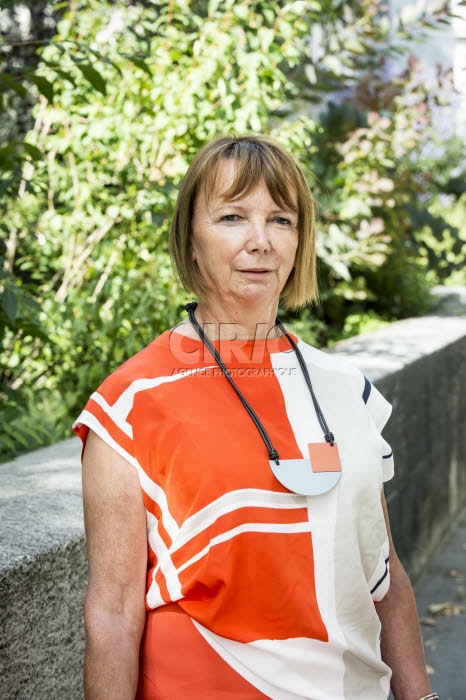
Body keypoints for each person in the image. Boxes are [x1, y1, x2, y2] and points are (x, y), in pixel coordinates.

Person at [74, 134, 437, 700]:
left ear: (300, 241)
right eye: (232, 217)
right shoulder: (132, 403)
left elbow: (384, 572)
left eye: (281, 220)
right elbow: (114, 613)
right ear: (190, 241)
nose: (260, 241)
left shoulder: (346, 392)